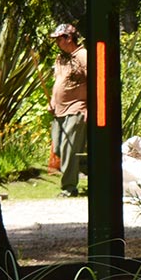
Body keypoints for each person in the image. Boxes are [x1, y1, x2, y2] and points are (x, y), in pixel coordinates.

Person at [48, 22, 88, 196]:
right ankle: (89, 169)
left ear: (69, 38)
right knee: (58, 148)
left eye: (59, 39)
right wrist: (52, 100)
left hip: (77, 108)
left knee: (69, 149)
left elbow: (93, 79)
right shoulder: (60, 59)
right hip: (59, 110)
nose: (57, 43)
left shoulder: (83, 55)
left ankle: (69, 188)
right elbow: (58, 82)